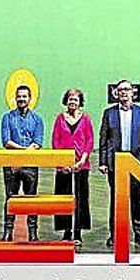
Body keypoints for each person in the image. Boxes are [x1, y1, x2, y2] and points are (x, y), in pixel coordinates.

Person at [98, 79, 140, 247]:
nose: (123, 92)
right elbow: (104, 138)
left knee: (136, 200)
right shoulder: (109, 113)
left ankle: (139, 234)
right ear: (116, 93)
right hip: (115, 164)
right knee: (116, 200)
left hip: (136, 163)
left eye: (127, 89)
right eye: (120, 90)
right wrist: (103, 162)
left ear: (132, 92)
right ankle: (115, 235)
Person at [0, 85, 45, 242]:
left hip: (30, 166)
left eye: (24, 96)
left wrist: (24, 156)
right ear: (15, 98)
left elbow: (38, 142)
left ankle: (33, 233)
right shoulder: (7, 117)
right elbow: (6, 141)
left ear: (30, 99)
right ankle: (8, 232)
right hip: (11, 165)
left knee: (31, 199)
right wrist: (24, 152)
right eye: (19, 96)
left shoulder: (37, 119)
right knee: (10, 198)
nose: (21, 99)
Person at [52, 88, 94, 245]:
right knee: (64, 198)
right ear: (66, 101)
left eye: (75, 100)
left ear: (80, 102)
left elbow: (89, 140)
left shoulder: (86, 119)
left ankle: (78, 233)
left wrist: (82, 159)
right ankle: (66, 231)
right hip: (63, 167)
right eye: (70, 99)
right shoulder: (59, 119)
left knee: (81, 198)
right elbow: (55, 141)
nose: (72, 102)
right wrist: (62, 163)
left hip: (81, 166)